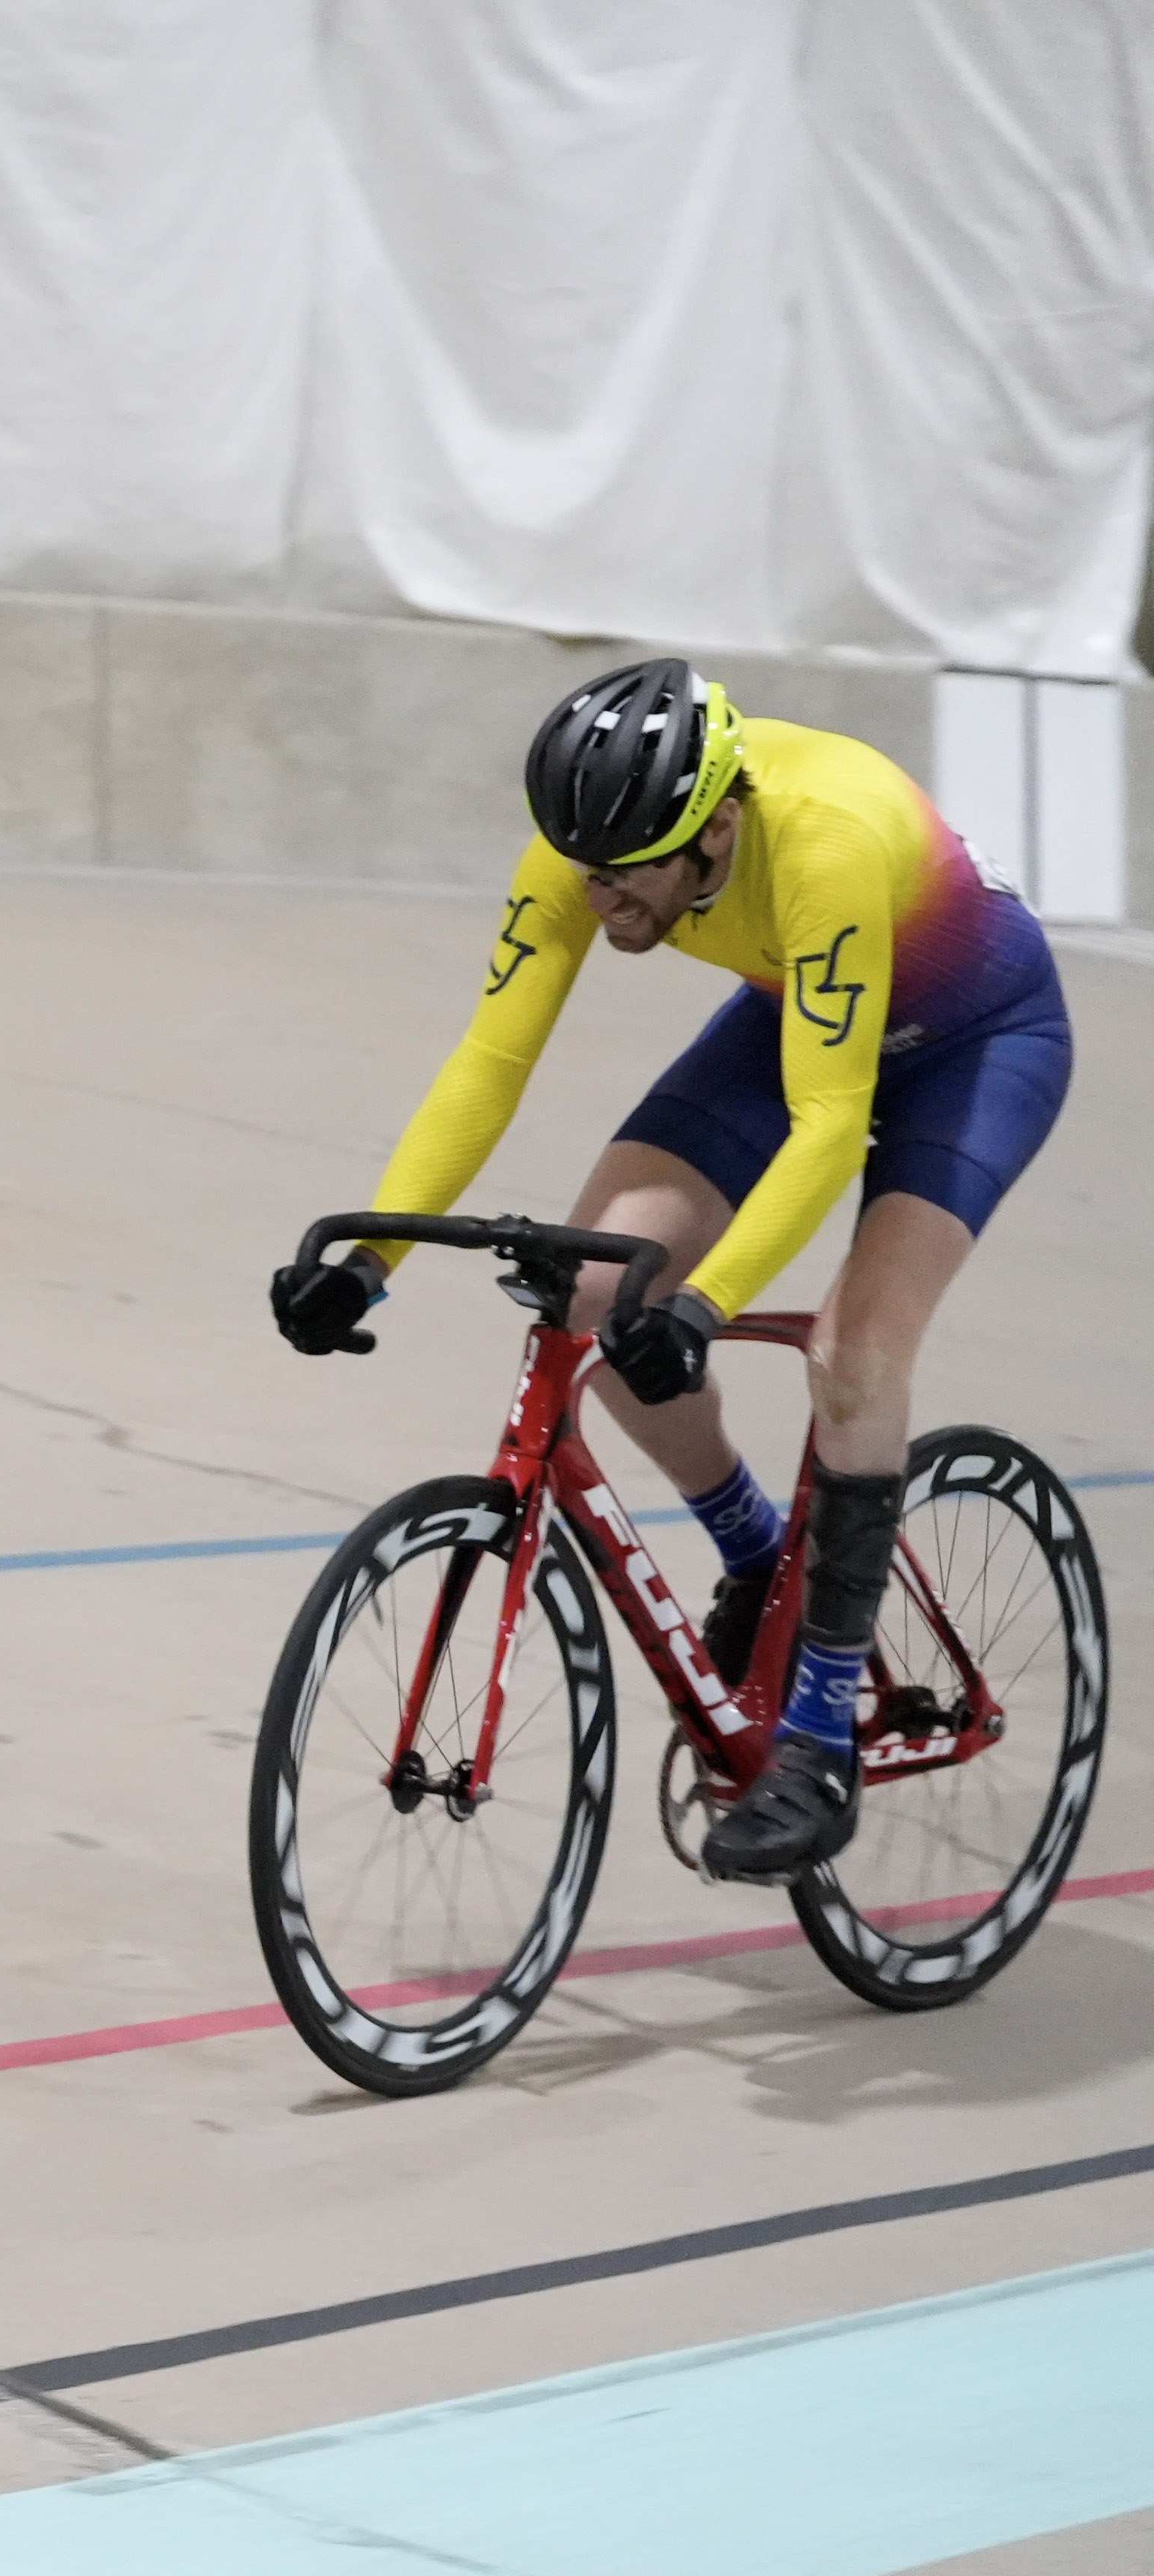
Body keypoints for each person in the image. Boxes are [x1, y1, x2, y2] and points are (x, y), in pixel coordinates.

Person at [275, 659, 1073, 1880]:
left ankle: (819, 1741)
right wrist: (372, 1259)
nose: (598, 896)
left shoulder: (825, 841)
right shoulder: (592, 846)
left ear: (720, 832)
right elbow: (490, 1061)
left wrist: (704, 1305)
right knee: (597, 1294)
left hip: (975, 1045)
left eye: (629, 873)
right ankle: (757, 1553)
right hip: (801, 1007)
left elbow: (828, 1126)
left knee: (854, 1353)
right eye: (583, 868)